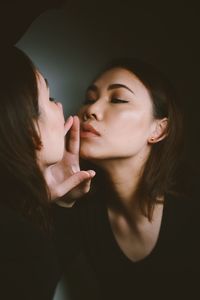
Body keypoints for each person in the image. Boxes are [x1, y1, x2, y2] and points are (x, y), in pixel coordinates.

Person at [53, 58, 200, 299]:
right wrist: (63, 202)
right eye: (89, 99)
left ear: (158, 130)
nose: (90, 110)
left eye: (118, 99)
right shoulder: (81, 207)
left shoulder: (193, 205)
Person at [0, 46, 95, 300]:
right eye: (50, 99)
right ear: (26, 127)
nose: (62, 105)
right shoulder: (19, 248)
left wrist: (55, 199)